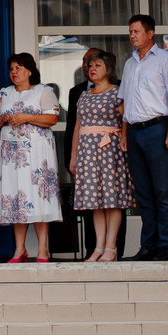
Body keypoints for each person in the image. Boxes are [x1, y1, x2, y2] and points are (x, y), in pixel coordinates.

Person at [118, 15, 168, 260]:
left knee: (162, 191)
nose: (132, 35)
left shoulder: (166, 61)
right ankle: (148, 246)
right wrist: (125, 135)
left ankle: (165, 246)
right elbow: (124, 103)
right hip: (134, 132)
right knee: (143, 192)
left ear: (150, 33)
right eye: (130, 31)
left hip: (158, 129)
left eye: (136, 31)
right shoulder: (130, 63)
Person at [0, 53, 62, 264]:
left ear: (29, 70)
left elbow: (52, 118)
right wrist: (3, 118)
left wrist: (27, 117)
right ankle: (19, 249)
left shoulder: (44, 91)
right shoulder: (4, 93)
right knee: (16, 198)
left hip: (37, 154)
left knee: (39, 197)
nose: (14, 72)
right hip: (12, 156)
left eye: (19, 68)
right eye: (12, 68)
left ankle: (42, 249)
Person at [69, 49, 130, 263]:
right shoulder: (84, 95)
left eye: (98, 66)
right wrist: (73, 157)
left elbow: (126, 119)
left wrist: (123, 138)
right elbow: (77, 127)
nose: (92, 69)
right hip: (87, 152)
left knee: (112, 201)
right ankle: (98, 247)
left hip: (110, 150)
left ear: (108, 69)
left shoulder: (117, 92)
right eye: (90, 66)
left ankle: (111, 247)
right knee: (95, 201)